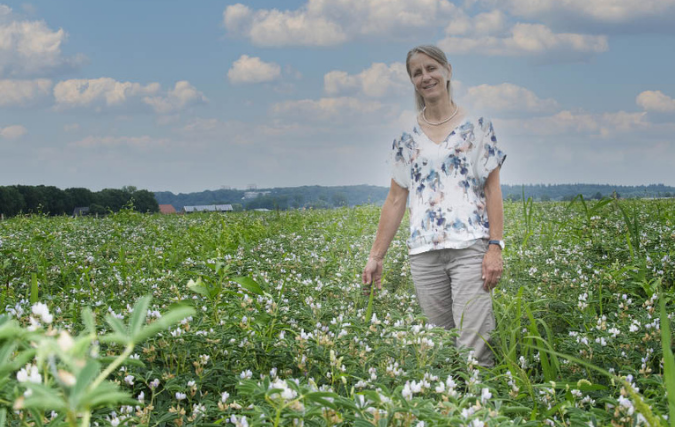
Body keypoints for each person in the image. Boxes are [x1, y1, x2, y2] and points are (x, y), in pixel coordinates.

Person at [362, 45, 506, 367]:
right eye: (417, 73)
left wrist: (495, 246)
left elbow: (492, 190)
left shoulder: (478, 127)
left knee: (475, 345)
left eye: (431, 68)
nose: (425, 77)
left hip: (470, 248)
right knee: (440, 349)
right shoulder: (407, 138)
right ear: (412, 81)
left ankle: (483, 412)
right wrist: (376, 257)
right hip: (424, 254)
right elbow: (396, 199)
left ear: (447, 71)